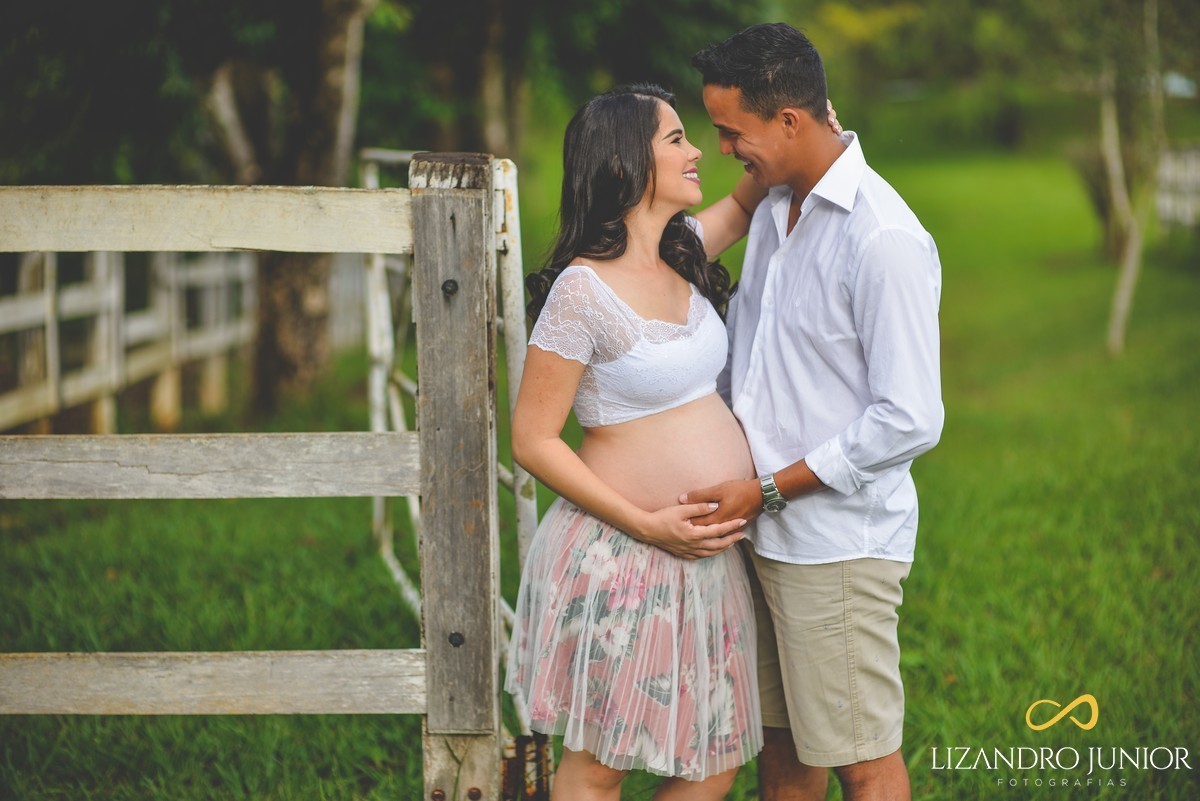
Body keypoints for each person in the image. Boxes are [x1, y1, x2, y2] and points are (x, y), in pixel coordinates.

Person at [505, 83, 841, 801]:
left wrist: (813, 123)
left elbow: (753, 195)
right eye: (677, 139)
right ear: (626, 163)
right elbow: (533, 439)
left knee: (712, 761)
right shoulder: (582, 292)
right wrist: (649, 523)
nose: (698, 153)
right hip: (625, 553)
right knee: (601, 765)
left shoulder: (682, 252)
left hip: (708, 562)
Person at [683, 23, 945, 801]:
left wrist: (768, 487)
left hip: (833, 545)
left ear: (790, 121)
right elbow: (754, 363)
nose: (725, 148)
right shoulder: (774, 209)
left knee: (862, 760)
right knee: (786, 748)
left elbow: (910, 418)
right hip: (764, 534)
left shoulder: (883, 237)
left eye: (733, 132)